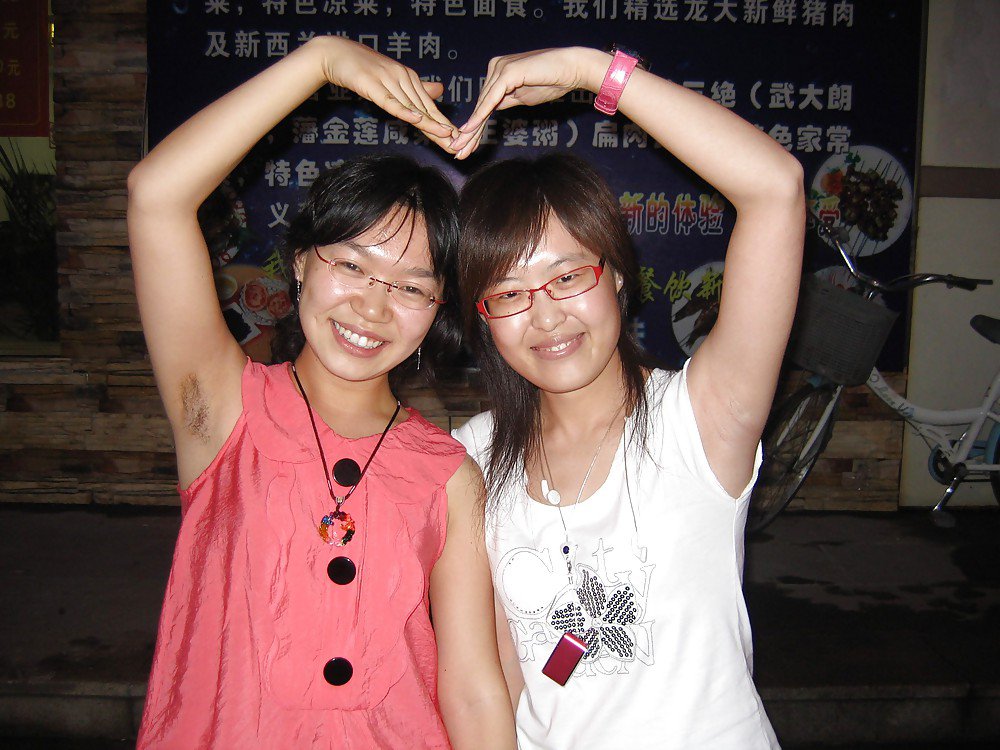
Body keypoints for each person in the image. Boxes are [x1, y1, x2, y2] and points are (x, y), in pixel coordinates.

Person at [127, 36, 514, 749]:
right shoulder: (225, 408)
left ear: (438, 311)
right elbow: (157, 195)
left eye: (411, 288)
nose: (373, 306)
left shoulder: (449, 475)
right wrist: (321, 63)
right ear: (303, 261)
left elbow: (471, 686)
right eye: (353, 266)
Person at [449, 46, 805, 748]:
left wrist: (592, 72)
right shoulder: (475, 455)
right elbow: (501, 673)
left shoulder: (699, 419)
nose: (545, 316)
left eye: (567, 277)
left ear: (614, 274)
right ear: (483, 318)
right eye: (509, 294)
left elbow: (776, 187)